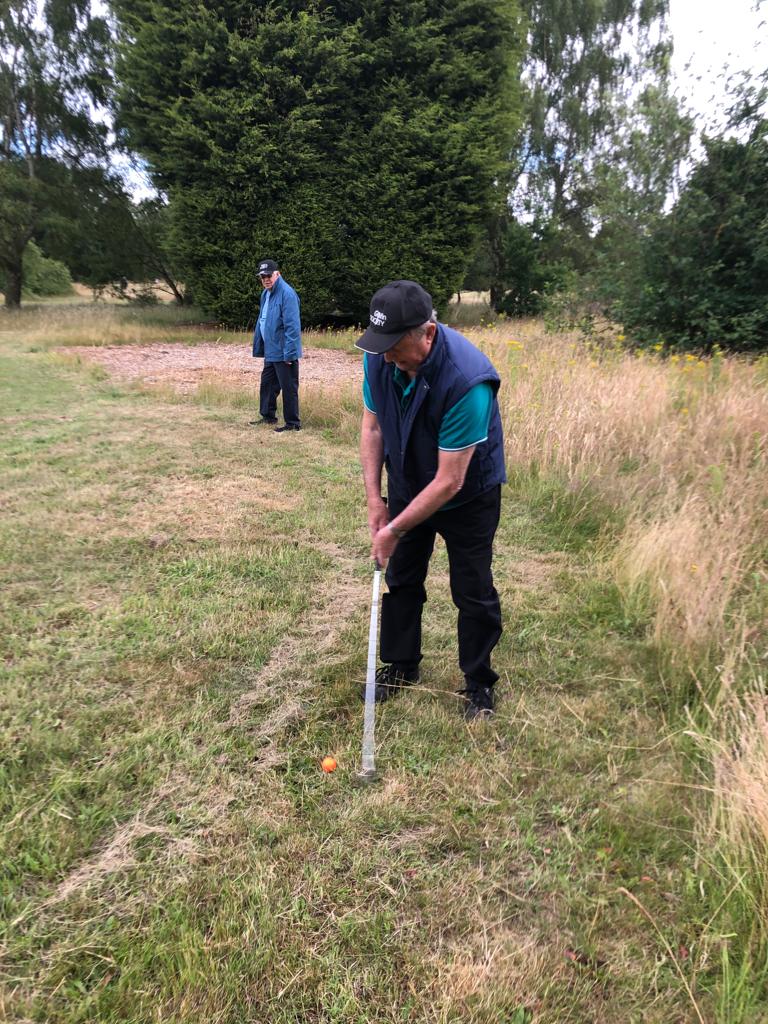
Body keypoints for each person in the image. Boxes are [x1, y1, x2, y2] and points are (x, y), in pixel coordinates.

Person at [357, 279, 506, 721]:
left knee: (472, 590)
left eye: (395, 346)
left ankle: (478, 683)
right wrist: (376, 503)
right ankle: (402, 665)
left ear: (427, 333)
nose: (386, 357)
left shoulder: (468, 380)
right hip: (407, 478)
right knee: (402, 578)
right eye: (380, 345)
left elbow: (448, 482)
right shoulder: (379, 357)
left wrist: (394, 529)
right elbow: (373, 428)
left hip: (467, 495)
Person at [251, 259, 302, 432]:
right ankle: (268, 416)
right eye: (262, 276)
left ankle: (292, 423)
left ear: (277, 274)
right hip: (270, 350)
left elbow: (292, 327)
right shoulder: (265, 293)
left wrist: (290, 353)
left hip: (284, 352)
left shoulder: (287, 294)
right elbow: (262, 320)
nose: (266, 279)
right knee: (267, 385)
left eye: (269, 275)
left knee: (289, 387)